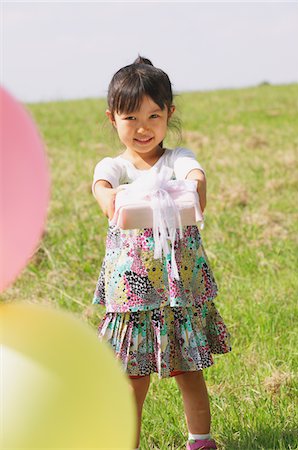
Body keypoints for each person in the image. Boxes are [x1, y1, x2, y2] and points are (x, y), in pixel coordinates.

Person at [92, 56, 231, 450]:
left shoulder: (176, 159)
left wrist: (195, 187)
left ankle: (200, 441)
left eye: (154, 116)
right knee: (132, 378)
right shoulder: (116, 167)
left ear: (170, 113)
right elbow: (101, 185)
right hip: (133, 294)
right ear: (112, 119)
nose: (143, 128)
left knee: (188, 369)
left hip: (178, 288)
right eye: (130, 118)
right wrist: (108, 197)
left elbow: (195, 176)